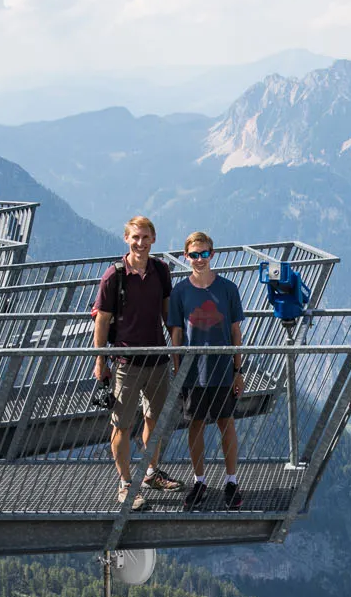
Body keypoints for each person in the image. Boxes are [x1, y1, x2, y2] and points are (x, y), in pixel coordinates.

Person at [93, 216, 182, 510]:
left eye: (145, 237)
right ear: (126, 239)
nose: (140, 243)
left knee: (154, 420)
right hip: (125, 361)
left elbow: (168, 315)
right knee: (121, 425)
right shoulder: (113, 276)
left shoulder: (161, 271)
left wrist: (175, 352)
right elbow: (102, 321)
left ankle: (150, 473)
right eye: (135, 237)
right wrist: (100, 360)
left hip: (156, 359)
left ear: (154, 239)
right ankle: (125, 483)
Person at [168, 232, 246, 510]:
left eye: (204, 254)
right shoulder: (179, 292)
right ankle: (199, 480)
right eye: (193, 254)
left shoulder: (228, 289)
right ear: (185, 256)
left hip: (223, 368)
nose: (199, 259)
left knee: (227, 423)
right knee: (196, 425)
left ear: (212, 255)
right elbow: (176, 334)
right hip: (192, 372)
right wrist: (178, 371)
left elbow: (236, 332)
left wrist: (239, 370)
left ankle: (232, 480)